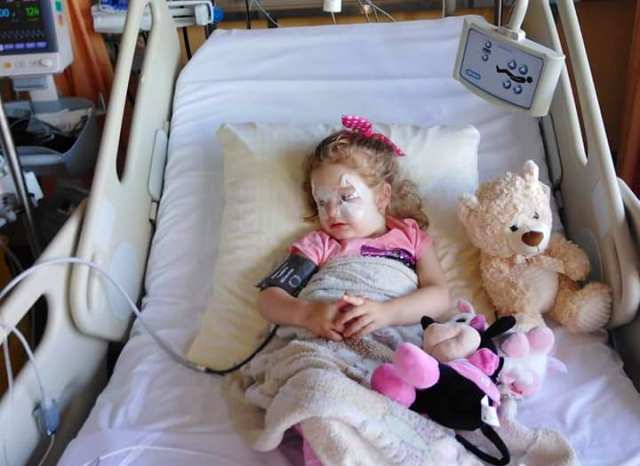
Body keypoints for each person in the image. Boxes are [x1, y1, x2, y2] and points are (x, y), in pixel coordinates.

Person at [258, 115, 451, 342]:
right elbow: (269, 298)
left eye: (346, 198)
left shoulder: (412, 238)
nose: (331, 212)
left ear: (382, 196)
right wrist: (308, 314)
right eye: (322, 202)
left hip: (392, 339)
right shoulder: (319, 244)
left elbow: (440, 296)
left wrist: (388, 313)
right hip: (327, 339)